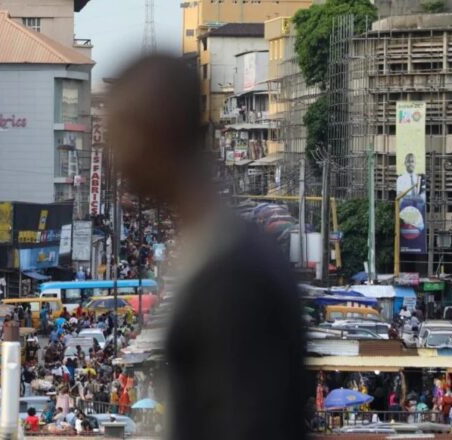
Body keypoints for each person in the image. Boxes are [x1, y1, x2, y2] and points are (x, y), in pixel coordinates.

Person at [107, 55, 306, 440]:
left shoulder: (234, 279)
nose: (120, 163)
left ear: (157, 133)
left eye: (123, 136)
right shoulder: (220, 253)